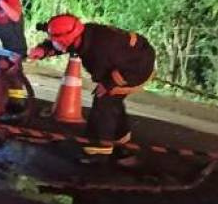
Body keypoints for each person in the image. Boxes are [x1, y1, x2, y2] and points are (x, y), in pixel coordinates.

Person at [28, 14, 156, 166]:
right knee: (112, 102)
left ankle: (98, 152)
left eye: (55, 39)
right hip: (125, 63)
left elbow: (138, 65)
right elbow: (67, 45)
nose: (54, 42)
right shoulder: (84, 35)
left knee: (104, 103)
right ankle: (121, 145)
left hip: (135, 70)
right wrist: (44, 50)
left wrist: (110, 83)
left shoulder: (102, 47)